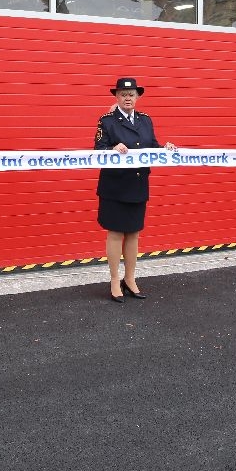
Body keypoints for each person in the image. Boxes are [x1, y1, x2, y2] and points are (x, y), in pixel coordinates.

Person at [94, 77, 176, 303]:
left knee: (133, 233)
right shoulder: (107, 121)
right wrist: (112, 148)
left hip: (138, 184)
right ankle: (113, 280)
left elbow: (152, 147)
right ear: (116, 97)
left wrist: (164, 149)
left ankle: (130, 279)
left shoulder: (145, 121)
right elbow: (97, 150)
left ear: (138, 97)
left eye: (131, 94)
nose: (127, 97)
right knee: (115, 232)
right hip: (115, 186)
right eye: (123, 94)